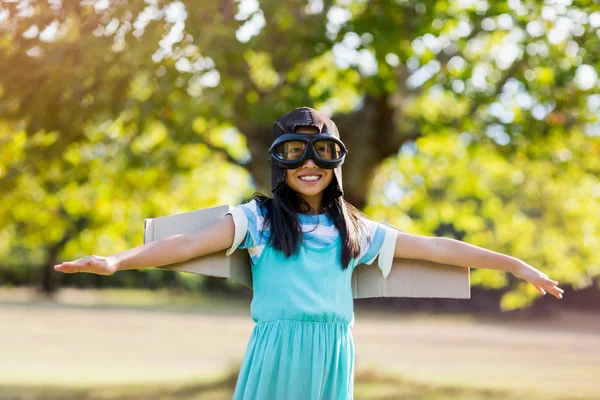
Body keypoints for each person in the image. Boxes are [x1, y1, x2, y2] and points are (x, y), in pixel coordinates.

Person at [54, 107, 564, 399]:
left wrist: (514, 264)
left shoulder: (355, 230)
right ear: (282, 163)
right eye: (296, 154)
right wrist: (117, 260)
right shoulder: (257, 220)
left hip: (333, 351)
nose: (310, 166)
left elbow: (434, 248)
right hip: (277, 348)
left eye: (321, 153)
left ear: (335, 162)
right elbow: (185, 244)